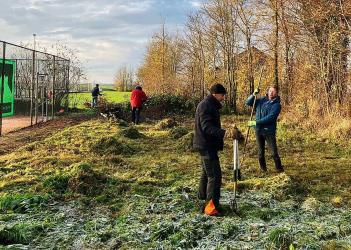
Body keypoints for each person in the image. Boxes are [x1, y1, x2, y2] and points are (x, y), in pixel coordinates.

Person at [193, 83, 227, 216]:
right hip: (207, 146)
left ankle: (202, 198)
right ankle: (210, 208)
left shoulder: (209, 104)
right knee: (214, 175)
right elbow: (207, 127)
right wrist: (224, 133)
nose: (223, 97)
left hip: (205, 145)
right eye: (222, 95)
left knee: (206, 173)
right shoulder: (206, 106)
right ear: (215, 94)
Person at [245, 84, 284, 173]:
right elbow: (248, 103)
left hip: (269, 131)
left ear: (277, 93)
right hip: (258, 130)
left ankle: (279, 169)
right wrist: (253, 95)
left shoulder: (277, 105)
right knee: (260, 153)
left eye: (274, 91)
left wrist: (256, 122)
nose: (271, 93)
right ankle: (263, 170)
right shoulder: (261, 100)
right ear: (267, 91)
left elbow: (271, 117)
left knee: (274, 152)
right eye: (270, 91)